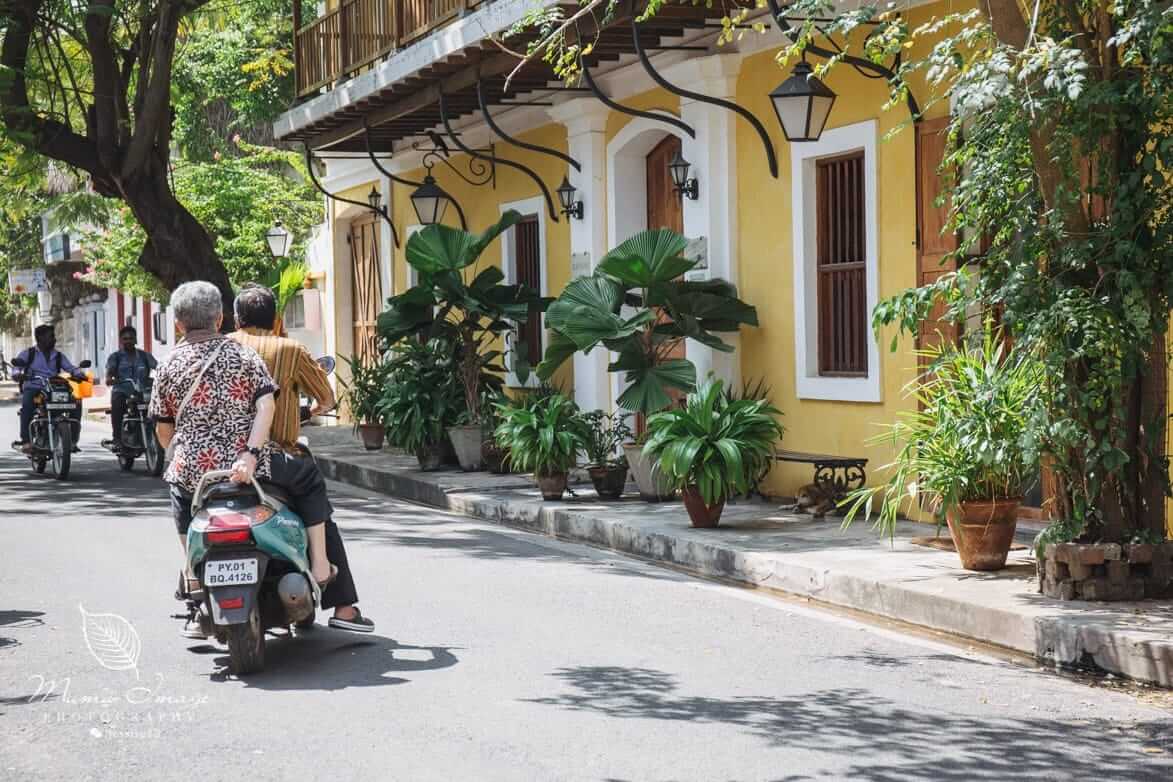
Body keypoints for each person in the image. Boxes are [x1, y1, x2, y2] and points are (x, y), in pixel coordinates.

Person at [150, 281, 371, 638]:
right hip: (250, 464)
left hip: (196, 471)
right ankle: (321, 567)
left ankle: (192, 577)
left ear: (178, 323)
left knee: (178, 495)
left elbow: (163, 428)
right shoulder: (242, 355)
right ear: (220, 317)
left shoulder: (168, 363)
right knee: (310, 481)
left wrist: (178, 456)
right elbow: (266, 405)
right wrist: (250, 453)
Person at [230, 284, 374, 633]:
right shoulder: (291, 350)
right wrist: (307, 410)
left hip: (222, 460)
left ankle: (191, 585)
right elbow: (326, 398)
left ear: (235, 319)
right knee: (317, 502)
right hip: (276, 458)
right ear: (277, 320)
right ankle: (340, 602)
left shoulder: (222, 348)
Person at [12, 325, 87, 453]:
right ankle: (26, 441)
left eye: (53, 336)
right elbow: (16, 369)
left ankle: (73, 440)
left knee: (75, 403)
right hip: (34, 388)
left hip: (53, 388)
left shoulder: (58, 356)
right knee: (27, 406)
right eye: (51, 336)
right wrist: (18, 374)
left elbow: (70, 367)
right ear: (40, 338)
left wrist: (79, 373)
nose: (54, 339)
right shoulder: (28, 354)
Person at [104, 326, 157, 449]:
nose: (128, 341)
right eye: (125, 338)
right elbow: (110, 370)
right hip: (122, 390)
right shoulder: (115, 357)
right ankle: (117, 438)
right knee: (117, 405)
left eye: (131, 338)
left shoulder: (144, 356)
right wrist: (109, 378)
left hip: (143, 391)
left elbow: (158, 367)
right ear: (121, 341)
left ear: (135, 339)